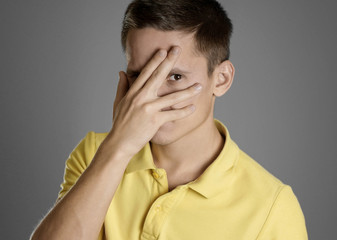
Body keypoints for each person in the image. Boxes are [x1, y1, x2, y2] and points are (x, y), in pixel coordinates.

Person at [30, 0, 308, 239]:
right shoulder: (95, 153)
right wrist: (119, 148)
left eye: (175, 76)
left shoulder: (273, 206)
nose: (149, 97)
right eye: (139, 76)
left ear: (221, 79)